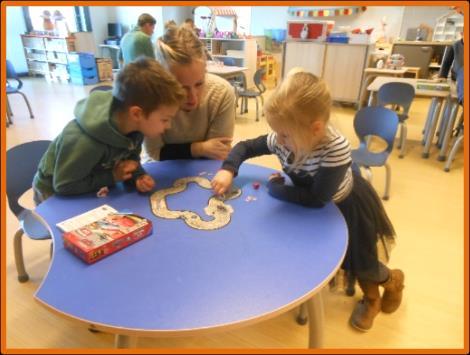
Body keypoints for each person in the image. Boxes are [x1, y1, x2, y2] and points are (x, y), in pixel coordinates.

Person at [211, 70, 405, 332]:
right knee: (324, 256)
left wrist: (277, 190)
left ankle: (382, 289)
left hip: (344, 206)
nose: (277, 141)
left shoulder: (335, 148)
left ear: (315, 129)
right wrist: (228, 169)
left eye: (284, 135)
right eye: (276, 133)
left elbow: (317, 198)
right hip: (311, 201)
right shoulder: (285, 136)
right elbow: (245, 147)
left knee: (361, 261)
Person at [32, 57, 186, 204]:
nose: (168, 126)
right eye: (165, 119)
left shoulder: (135, 128)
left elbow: (129, 158)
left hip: (92, 185)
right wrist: (112, 176)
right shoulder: (84, 142)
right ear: (137, 113)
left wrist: (138, 176)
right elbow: (64, 185)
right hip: (54, 195)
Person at [143, 24, 235, 161]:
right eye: (181, 88)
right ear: (162, 79)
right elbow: (155, 153)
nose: (193, 98)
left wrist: (183, 150)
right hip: (163, 167)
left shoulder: (222, 92)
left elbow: (218, 152)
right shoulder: (149, 96)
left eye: (199, 84)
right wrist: (199, 148)